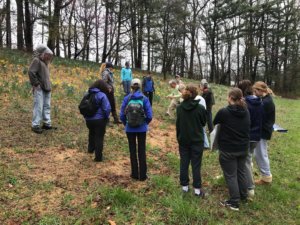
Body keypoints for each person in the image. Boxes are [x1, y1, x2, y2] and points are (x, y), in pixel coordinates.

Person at [213, 88, 250, 211]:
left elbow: (215, 122)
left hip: (228, 149)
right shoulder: (246, 111)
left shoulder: (224, 112)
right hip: (243, 148)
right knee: (241, 172)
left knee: (231, 175)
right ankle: (244, 196)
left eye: (227, 96)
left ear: (230, 98)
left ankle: (234, 202)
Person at [176, 84, 207, 196]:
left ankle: (184, 188)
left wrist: (179, 138)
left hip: (183, 140)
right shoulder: (200, 108)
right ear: (195, 94)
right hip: (197, 140)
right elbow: (204, 122)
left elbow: (178, 124)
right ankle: (197, 190)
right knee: (196, 165)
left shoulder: (179, 108)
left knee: (184, 163)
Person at [120, 78, 153, 181]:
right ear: (140, 86)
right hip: (142, 129)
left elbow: (121, 115)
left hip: (130, 129)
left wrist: (126, 124)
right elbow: (149, 116)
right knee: (141, 151)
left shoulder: (127, 98)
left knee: (132, 151)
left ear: (131, 87)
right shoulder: (144, 99)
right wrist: (144, 123)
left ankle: (134, 174)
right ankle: (143, 176)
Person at [238, 80, 263, 198]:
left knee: (246, 161)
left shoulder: (245, 103)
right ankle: (242, 180)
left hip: (248, 136)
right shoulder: (259, 102)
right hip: (256, 136)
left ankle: (250, 188)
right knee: (248, 159)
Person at [28, 44, 55, 134]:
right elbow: (31, 72)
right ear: (43, 54)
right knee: (38, 107)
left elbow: (45, 77)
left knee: (47, 106)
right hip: (39, 88)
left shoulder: (45, 63)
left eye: (50, 56)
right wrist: (36, 84)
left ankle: (47, 124)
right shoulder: (37, 60)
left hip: (47, 88)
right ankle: (35, 125)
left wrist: (49, 86)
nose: (49, 57)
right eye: (48, 55)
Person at [252, 81, 275, 185]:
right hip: (262, 130)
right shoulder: (265, 99)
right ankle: (266, 176)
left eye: (255, 91)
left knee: (261, 154)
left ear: (261, 91)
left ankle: (266, 177)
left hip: (263, 131)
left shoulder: (265, 102)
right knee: (259, 153)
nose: (254, 92)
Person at [84, 80, 111, 162]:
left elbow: (83, 106)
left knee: (91, 133)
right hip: (99, 120)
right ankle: (98, 157)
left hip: (88, 120)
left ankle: (90, 149)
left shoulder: (87, 94)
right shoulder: (102, 95)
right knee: (99, 137)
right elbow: (107, 108)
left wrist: (86, 116)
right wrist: (106, 118)